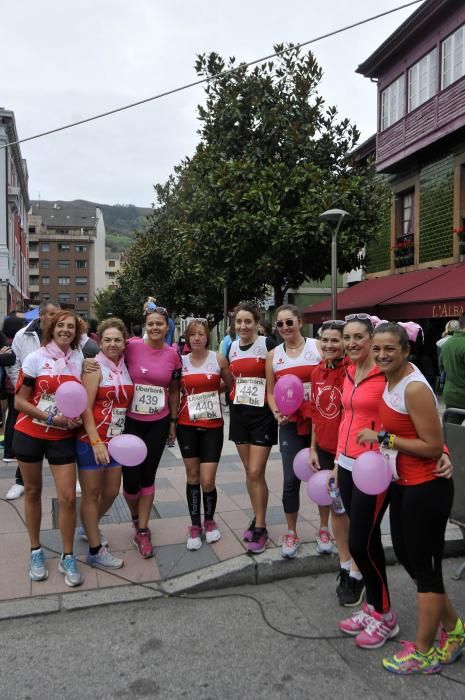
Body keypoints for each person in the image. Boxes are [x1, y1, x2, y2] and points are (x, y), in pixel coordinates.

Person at [357, 322, 463, 674]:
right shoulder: (392, 379)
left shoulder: (413, 387)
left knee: (427, 568)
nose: (383, 354)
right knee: (408, 556)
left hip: (426, 487)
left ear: (406, 351)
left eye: (391, 349)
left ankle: (423, 652)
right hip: (404, 484)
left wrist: (383, 439)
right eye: (378, 349)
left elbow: (432, 445)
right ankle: (455, 631)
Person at [335, 313, 398, 648]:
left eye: (358, 337)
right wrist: (335, 464)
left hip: (373, 468)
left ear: (371, 339)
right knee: (366, 543)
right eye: (347, 338)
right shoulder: (348, 370)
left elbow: (408, 424)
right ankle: (375, 609)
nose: (351, 343)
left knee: (361, 543)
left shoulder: (387, 374)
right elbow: (348, 416)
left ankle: (386, 616)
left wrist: (382, 441)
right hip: (346, 465)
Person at [13, 310, 84, 586]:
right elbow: (20, 402)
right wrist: (53, 418)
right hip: (30, 433)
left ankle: (68, 556)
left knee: (67, 497)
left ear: (76, 333)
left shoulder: (79, 360)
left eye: (71, 327)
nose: (66, 330)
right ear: (52, 329)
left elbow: (81, 397)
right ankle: (36, 550)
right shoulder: (35, 358)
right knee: (32, 492)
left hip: (62, 437)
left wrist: (75, 417)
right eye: (61, 326)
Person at [122, 299, 181, 558]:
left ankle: (143, 530)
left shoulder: (173, 354)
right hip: (130, 422)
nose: (155, 327)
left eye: (160, 324)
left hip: (158, 422)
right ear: (144, 326)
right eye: (151, 324)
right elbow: (108, 359)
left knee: (148, 476)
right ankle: (135, 514)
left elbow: (175, 390)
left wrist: (173, 422)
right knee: (130, 480)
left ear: (167, 327)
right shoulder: (131, 347)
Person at [76, 318, 134, 569]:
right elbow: (84, 409)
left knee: (111, 492)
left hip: (117, 440)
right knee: (92, 493)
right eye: (107, 339)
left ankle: (88, 526)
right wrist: (96, 441)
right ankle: (95, 549)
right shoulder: (94, 368)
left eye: (117, 340)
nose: (112, 344)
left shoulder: (126, 366)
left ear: (124, 342)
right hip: (92, 440)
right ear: (100, 341)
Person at [308, 320, 357, 605]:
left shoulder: (352, 371)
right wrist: (313, 448)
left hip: (349, 454)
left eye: (334, 340)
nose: (329, 345)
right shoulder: (316, 372)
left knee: (352, 513)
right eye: (324, 340)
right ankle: (344, 564)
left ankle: (357, 569)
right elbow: (316, 413)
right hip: (325, 451)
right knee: (337, 509)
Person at [266, 304, 321, 559]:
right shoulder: (273, 355)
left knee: (323, 477)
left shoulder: (317, 347)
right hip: (289, 423)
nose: (285, 328)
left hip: (319, 422)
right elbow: (270, 391)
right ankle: (291, 531)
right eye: (280, 324)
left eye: (289, 322)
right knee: (290, 480)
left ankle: (323, 529)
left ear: (300, 321)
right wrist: (276, 411)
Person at [177, 319, 233, 550]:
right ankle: (194, 525)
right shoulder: (180, 362)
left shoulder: (218, 359)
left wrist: (209, 393)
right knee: (192, 477)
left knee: (207, 479)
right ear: (187, 338)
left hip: (213, 425)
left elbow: (228, 384)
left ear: (207, 337)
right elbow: (175, 391)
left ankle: (209, 521)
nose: (197, 338)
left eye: (201, 334)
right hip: (186, 424)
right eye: (193, 334)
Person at [228, 303, 277, 554]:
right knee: (249, 471)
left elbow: (277, 377)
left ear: (257, 323)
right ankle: (257, 516)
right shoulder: (232, 347)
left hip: (262, 416)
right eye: (239, 322)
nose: (243, 326)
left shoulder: (267, 345)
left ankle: (261, 526)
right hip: (239, 413)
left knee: (257, 471)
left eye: (248, 321)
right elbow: (229, 378)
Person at [4, 300, 60, 499]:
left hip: (57, 395)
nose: (57, 319)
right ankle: (20, 481)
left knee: (64, 437)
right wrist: (22, 388)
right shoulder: (23, 334)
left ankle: (72, 477)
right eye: (53, 314)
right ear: (42, 315)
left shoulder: (63, 334)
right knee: (27, 440)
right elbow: (14, 364)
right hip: (28, 395)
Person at [439, 313, 465, 424]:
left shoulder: (446, 343)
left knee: (450, 436)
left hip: (451, 396)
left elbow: (440, 366)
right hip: (461, 395)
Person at [436, 320, 459, 394]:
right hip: (455, 373)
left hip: (444, 369)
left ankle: (441, 388)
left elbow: (440, 360)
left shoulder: (439, 342)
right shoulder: (459, 341)